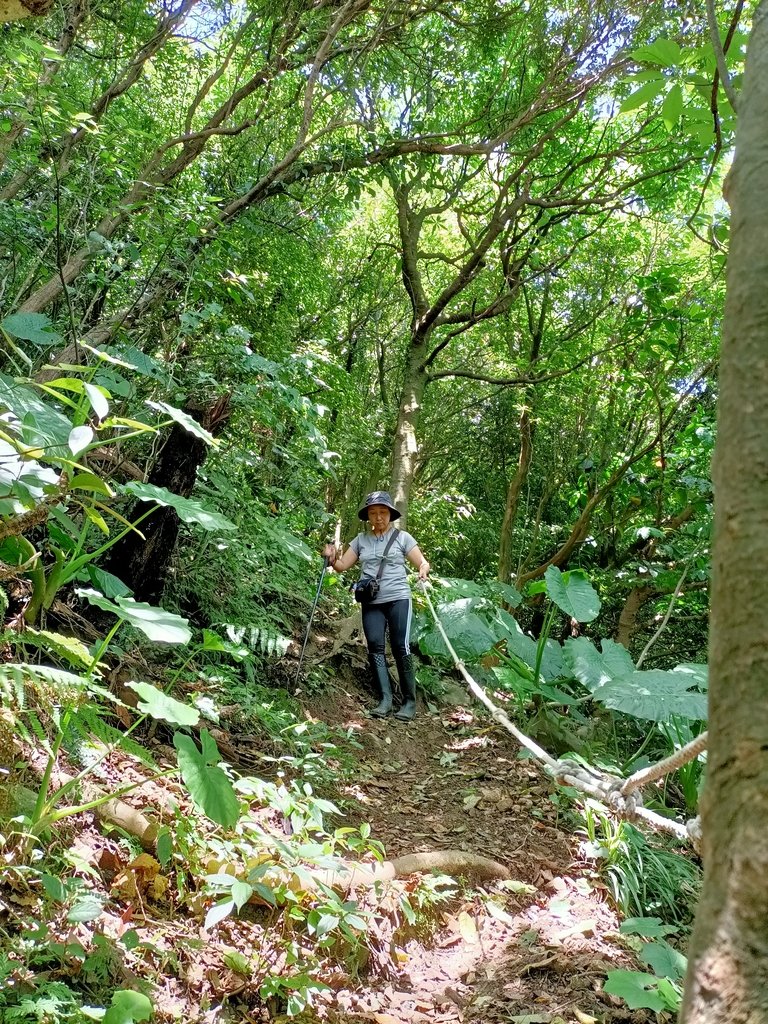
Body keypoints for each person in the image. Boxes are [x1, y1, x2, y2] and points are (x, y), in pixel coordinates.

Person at [323, 491, 430, 721]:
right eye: (373, 513)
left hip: (399, 597)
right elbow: (341, 566)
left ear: (390, 514)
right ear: (368, 516)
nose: (378, 517)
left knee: (401, 646)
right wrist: (331, 557)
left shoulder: (403, 538)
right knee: (375, 647)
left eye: (383, 513)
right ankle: (386, 700)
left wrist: (423, 569)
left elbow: (421, 561)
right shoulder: (361, 541)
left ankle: (409, 702)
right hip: (371, 601)